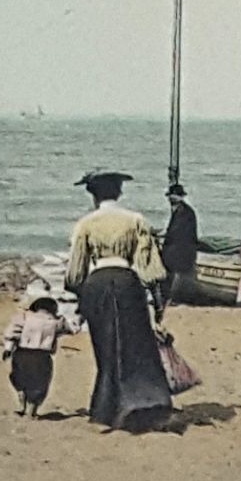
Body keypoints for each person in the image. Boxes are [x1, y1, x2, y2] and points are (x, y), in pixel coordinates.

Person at [64, 170, 173, 432]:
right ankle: (143, 403)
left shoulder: (85, 224)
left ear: (93, 195)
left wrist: (79, 293)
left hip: (97, 283)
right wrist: (156, 297)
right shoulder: (136, 220)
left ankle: (105, 409)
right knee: (135, 345)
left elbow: (75, 272)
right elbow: (152, 269)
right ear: (119, 192)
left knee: (105, 347)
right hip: (127, 282)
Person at [0, 296, 83, 419]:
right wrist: (80, 318)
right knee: (40, 383)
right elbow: (72, 329)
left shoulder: (24, 316)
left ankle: (22, 396)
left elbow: (12, 332)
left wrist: (8, 348)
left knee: (19, 376)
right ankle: (32, 411)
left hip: (22, 353)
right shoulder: (56, 321)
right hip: (42, 356)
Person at [158, 182, 198, 313]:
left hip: (179, 249)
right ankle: (169, 296)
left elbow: (177, 232)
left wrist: (164, 235)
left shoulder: (183, 212)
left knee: (171, 273)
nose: (170, 199)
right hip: (178, 248)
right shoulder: (182, 210)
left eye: (173, 196)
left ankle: (171, 297)